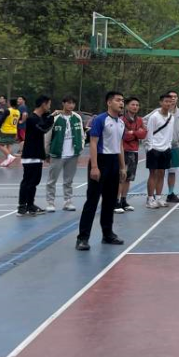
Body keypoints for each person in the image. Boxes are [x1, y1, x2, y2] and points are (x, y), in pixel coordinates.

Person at [76, 91, 126, 250]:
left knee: (110, 201)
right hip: (100, 161)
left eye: (122, 100)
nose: (121, 103)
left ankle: (108, 234)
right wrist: (95, 166)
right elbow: (93, 143)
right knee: (92, 201)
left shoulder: (121, 123)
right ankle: (82, 238)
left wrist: (122, 166)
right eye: (118, 100)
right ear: (109, 102)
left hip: (114, 162)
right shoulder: (100, 120)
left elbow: (119, 145)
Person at [16, 96, 56, 216]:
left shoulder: (39, 118)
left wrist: (49, 115)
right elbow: (43, 128)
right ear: (43, 104)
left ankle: (30, 205)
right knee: (28, 181)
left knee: (34, 182)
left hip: (37, 154)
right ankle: (22, 207)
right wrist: (51, 117)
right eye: (48, 104)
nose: (49, 107)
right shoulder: (32, 119)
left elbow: (43, 122)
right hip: (30, 154)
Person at [45, 95, 83, 212]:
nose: (71, 105)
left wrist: (80, 147)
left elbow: (82, 134)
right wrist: (47, 152)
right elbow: (47, 136)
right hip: (57, 153)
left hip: (73, 154)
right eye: (68, 103)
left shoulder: (77, 117)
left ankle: (68, 201)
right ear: (63, 103)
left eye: (73, 103)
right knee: (52, 180)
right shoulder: (55, 117)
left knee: (68, 180)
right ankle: (50, 202)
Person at [115, 97, 145, 214]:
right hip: (124, 151)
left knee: (128, 178)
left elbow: (144, 134)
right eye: (133, 104)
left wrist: (134, 133)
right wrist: (136, 133)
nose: (135, 107)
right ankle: (116, 201)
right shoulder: (121, 120)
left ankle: (123, 200)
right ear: (127, 106)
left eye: (137, 105)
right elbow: (125, 136)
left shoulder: (140, 120)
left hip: (134, 151)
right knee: (121, 177)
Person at [145, 94, 174, 208]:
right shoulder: (154, 117)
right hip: (154, 149)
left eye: (170, 102)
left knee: (162, 173)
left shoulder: (171, 117)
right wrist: (150, 147)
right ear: (161, 103)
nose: (168, 104)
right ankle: (150, 199)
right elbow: (149, 132)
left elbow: (170, 133)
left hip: (166, 149)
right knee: (153, 174)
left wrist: (169, 145)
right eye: (166, 101)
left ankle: (158, 198)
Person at [0, 98, 21, 166]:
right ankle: (8, 160)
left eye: (8, 102)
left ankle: (9, 156)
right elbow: (17, 122)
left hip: (5, 130)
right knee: (8, 145)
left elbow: (1, 120)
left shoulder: (8, 110)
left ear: (10, 103)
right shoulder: (18, 112)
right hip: (13, 130)